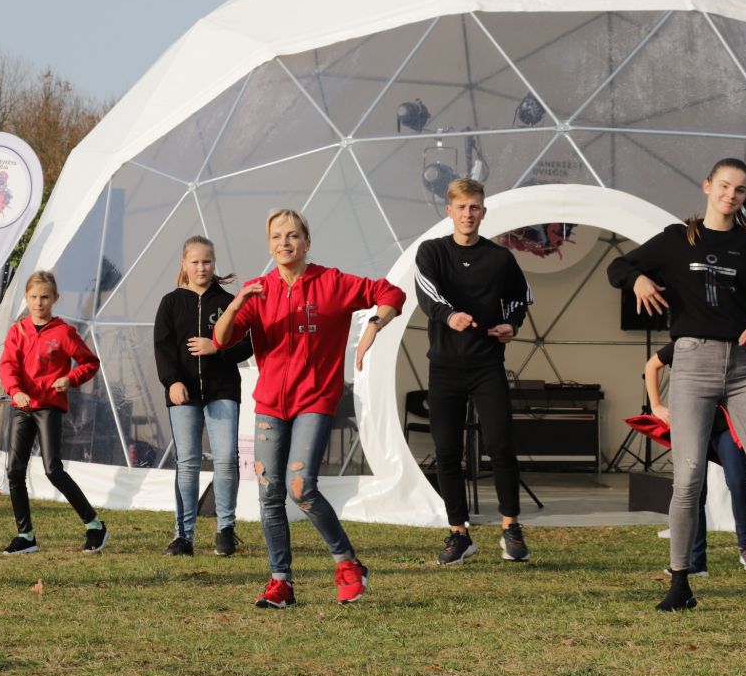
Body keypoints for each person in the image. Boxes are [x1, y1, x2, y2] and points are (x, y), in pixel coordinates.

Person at [608, 157, 746, 612]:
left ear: (745, 195)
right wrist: (638, 279)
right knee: (688, 477)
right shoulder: (677, 240)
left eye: (739, 189)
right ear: (707, 187)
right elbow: (618, 267)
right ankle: (680, 583)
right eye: (723, 186)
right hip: (692, 367)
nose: (730, 195)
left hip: (743, 370)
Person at [212, 208, 405, 608]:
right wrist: (236, 304)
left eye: (293, 235)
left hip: (315, 400)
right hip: (270, 404)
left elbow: (392, 293)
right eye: (277, 236)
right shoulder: (258, 290)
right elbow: (222, 339)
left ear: (306, 242)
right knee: (270, 493)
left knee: (300, 488)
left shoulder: (332, 282)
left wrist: (372, 326)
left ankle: (348, 565)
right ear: (269, 245)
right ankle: (281, 583)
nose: (285, 242)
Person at [414, 178, 533, 566]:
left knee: (500, 445)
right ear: (449, 210)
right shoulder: (432, 251)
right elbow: (427, 293)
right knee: (447, 451)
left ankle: (510, 528)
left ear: (483, 212)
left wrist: (511, 324)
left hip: (487, 365)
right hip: (444, 367)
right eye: (462, 207)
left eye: (475, 207)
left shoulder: (500, 258)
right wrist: (450, 316)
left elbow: (521, 298)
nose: (468, 214)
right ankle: (459, 534)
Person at [153, 236, 252, 557]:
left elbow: (247, 344)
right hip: (183, 393)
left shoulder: (227, 302)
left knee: (225, 459)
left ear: (214, 262)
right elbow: (163, 348)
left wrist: (217, 348)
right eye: (195, 262)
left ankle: (225, 530)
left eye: (207, 261)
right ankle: (183, 536)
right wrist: (171, 382)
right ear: (184, 264)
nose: (201, 267)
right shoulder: (170, 303)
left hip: (222, 390)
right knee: (188, 462)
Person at [0, 270, 107, 555]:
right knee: (14, 470)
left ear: (55, 298)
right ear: (26, 297)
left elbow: (90, 363)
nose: (39, 302)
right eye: (34, 297)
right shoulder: (18, 331)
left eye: (45, 297)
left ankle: (95, 525)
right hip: (22, 407)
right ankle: (26, 535)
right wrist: (15, 391)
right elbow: (7, 366)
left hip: (49, 408)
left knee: (52, 469)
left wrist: (70, 379)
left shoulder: (64, 332)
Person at [646, 342, 746, 572]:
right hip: (692, 425)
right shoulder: (684, 343)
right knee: (694, 490)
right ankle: (696, 562)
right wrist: (656, 405)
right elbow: (651, 365)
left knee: (738, 480)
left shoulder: (725, 341)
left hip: (723, 425)